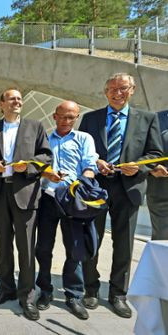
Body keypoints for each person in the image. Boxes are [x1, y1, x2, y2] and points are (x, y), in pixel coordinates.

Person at [78, 73, 163, 318]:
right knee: (91, 240)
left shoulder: (147, 119)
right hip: (97, 188)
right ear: (105, 92)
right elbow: (85, 151)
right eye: (113, 89)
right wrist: (97, 161)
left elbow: (154, 153)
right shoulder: (90, 119)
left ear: (132, 90)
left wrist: (140, 166)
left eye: (123, 88)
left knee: (124, 244)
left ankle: (118, 294)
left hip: (129, 189)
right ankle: (90, 289)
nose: (118, 93)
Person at [0, 88, 52, 321]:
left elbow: (46, 157)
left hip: (25, 192)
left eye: (19, 99)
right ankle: (6, 289)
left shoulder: (36, 126)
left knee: (26, 248)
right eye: (11, 98)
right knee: (4, 246)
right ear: (1, 104)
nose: (17, 101)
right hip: (0, 193)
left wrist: (29, 166)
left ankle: (27, 297)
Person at [35, 101, 98, 320]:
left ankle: (74, 295)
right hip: (48, 200)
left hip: (73, 201)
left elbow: (90, 166)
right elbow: (36, 166)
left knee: (75, 250)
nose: (67, 121)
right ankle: (44, 290)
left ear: (77, 117)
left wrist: (81, 184)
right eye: (63, 116)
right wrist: (47, 174)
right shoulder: (43, 140)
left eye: (72, 117)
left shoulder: (84, 139)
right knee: (43, 248)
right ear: (54, 116)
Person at [146, 110, 168, 240]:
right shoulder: (155, 119)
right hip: (161, 193)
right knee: (162, 242)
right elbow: (139, 148)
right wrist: (152, 167)